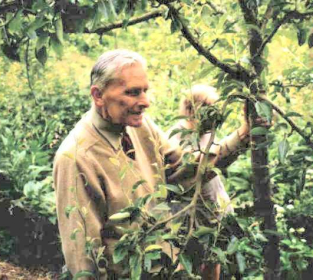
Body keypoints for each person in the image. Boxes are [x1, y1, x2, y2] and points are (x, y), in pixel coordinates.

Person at [53, 50, 251, 279]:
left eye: (145, 90)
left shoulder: (140, 125)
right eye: (133, 92)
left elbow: (183, 171)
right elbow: (84, 259)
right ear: (98, 95)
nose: (146, 102)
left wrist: (244, 135)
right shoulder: (76, 157)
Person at [168, 84, 238, 218]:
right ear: (194, 108)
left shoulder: (206, 133)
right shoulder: (175, 140)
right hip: (196, 221)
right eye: (210, 109)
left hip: (218, 217)